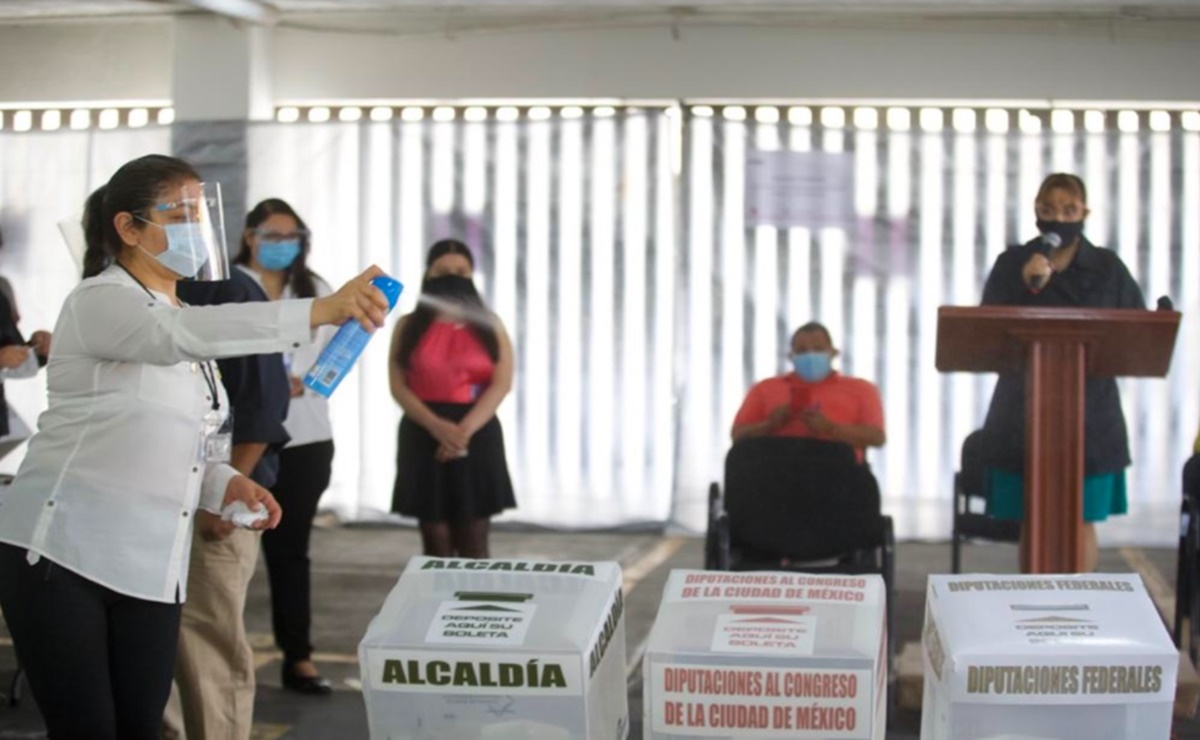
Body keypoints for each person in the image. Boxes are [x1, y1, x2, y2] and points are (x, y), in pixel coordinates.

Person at [0, 154, 388, 740]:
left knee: (141, 724)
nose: (191, 228)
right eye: (175, 214)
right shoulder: (101, 300)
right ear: (128, 229)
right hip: (63, 554)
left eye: (197, 213)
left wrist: (223, 480)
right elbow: (176, 338)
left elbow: (187, 434)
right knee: (88, 728)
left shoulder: (179, 311)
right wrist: (317, 312)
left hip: (152, 561)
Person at [164, 234, 295, 737]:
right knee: (166, 653)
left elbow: (262, 407)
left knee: (208, 647)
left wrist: (222, 499)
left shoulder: (225, 291)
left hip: (215, 508)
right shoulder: (141, 299)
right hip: (157, 505)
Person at [979, 172, 1144, 573]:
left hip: (1089, 414)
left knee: (1081, 516)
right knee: (1032, 517)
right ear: (1036, 211)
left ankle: (1079, 610)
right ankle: (1033, 613)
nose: (1059, 216)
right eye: (1049, 208)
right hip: (1024, 411)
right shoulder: (1013, 263)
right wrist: (1027, 285)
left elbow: (1136, 331)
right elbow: (984, 330)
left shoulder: (1107, 267)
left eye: (1069, 209)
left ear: (1084, 212)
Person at [235, 198, 338, 695]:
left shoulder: (315, 290)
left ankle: (298, 656)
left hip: (305, 436)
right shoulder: (228, 287)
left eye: (290, 237)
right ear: (250, 237)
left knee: (290, 552)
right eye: (272, 236)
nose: (282, 246)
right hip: (239, 440)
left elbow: (342, 352)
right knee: (228, 551)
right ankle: (218, 655)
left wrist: (308, 382)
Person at [389, 239, 515, 558]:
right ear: (428, 275)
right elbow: (399, 386)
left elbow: (501, 383)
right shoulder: (407, 326)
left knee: (474, 540)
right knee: (435, 541)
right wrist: (436, 427)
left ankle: (476, 606)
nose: (453, 276)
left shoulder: (490, 324)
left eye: (461, 271)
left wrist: (462, 433)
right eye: (443, 270)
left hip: (477, 431)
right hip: (422, 433)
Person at [731, 321, 885, 462]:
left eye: (818, 349)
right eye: (802, 351)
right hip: (776, 474)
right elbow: (738, 436)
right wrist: (770, 424)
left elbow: (877, 438)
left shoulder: (861, 389)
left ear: (833, 353)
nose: (810, 355)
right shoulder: (765, 389)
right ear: (791, 356)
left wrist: (831, 428)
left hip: (839, 476)